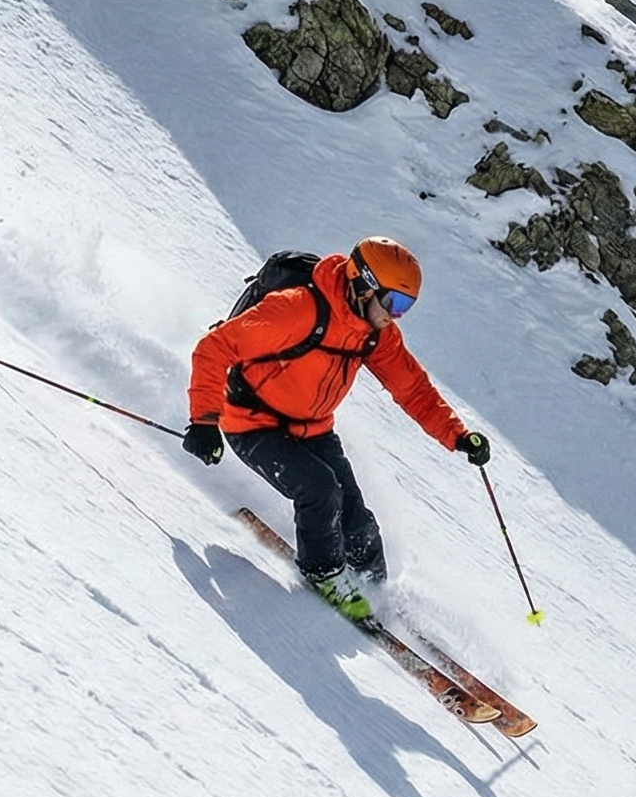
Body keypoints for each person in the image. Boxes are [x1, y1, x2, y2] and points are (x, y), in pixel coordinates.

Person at [182, 237, 492, 622]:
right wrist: (204, 422)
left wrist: (457, 435)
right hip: (252, 421)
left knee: (359, 526)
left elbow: (411, 387)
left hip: (313, 428)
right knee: (318, 488)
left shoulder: (375, 333)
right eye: (394, 302)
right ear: (363, 286)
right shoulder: (298, 310)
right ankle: (323, 574)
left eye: (406, 307)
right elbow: (214, 348)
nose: (396, 315)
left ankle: (375, 591)